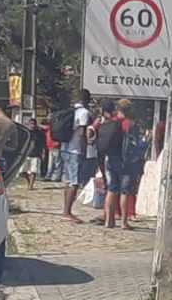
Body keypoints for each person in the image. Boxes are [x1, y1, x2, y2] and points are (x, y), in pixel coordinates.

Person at [100, 98, 145, 230]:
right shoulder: (131, 125)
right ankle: (124, 222)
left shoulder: (110, 122)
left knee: (111, 189)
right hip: (126, 162)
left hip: (110, 158)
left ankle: (109, 220)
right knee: (124, 191)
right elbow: (137, 144)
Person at [60, 89, 92, 224]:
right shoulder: (84, 113)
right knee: (74, 182)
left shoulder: (69, 111)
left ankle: (66, 211)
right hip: (75, 150)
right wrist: (85, 150)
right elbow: (81, 134)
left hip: (64, 148)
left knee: (68, 181)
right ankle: (67, 213)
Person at [21, 118, 46, 190]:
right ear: (28, 124)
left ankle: (31, 185)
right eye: (31, 124)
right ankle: (29, 181)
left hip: (36, 154)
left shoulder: (40, 133)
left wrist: (43, 153)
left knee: (33, 170)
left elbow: (43, 144)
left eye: (34, 124)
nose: (32, 125)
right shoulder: (26, 133)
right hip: (26, 154)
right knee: (23, 171)